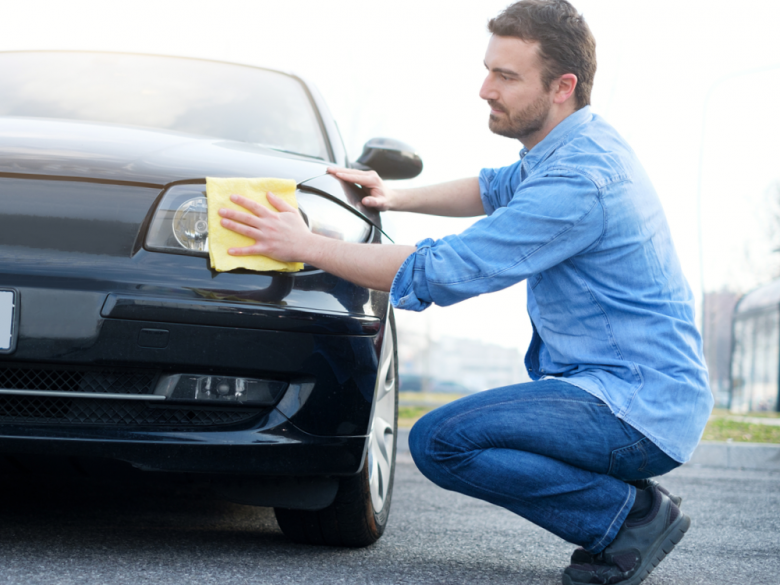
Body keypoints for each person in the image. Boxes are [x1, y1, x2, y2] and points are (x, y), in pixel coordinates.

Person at [218, 1, 713, 583]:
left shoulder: (580, 181)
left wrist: (308, 244)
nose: (485, 89)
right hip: (635, 394)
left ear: (563, 86)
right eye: (488, 70)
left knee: (443, 441)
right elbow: (492, 187)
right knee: (460, 433)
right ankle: (623, 502)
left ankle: (625, 519)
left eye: (506, 76)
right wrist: (393, 195)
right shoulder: (575, 146)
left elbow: (447, 269)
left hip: (635, 406)